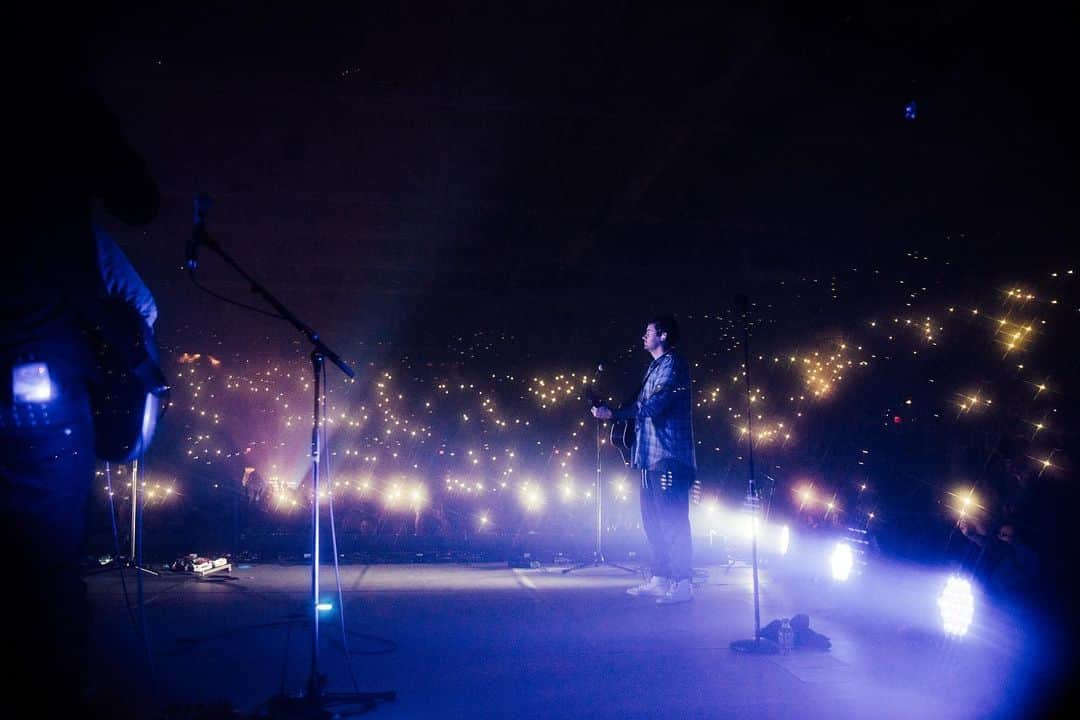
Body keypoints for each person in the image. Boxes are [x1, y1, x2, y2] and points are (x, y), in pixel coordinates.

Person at [2, 12, 159, 715]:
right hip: (34, 373)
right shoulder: (65, 110)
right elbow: (139, 201)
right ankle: (60, 693)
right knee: (47, 555)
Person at [592, 315, 697, 604]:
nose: (643, 336)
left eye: (648, 332)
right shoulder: (653, 368)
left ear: (662, 335)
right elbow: (641, 406)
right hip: (649, 458)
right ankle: (661, 578)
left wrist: (614, 413)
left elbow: (655, 406)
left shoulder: (673, 365)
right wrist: (614, 412)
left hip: (669, 457)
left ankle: (684, 583)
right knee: (653, 521)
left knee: (673, 520)